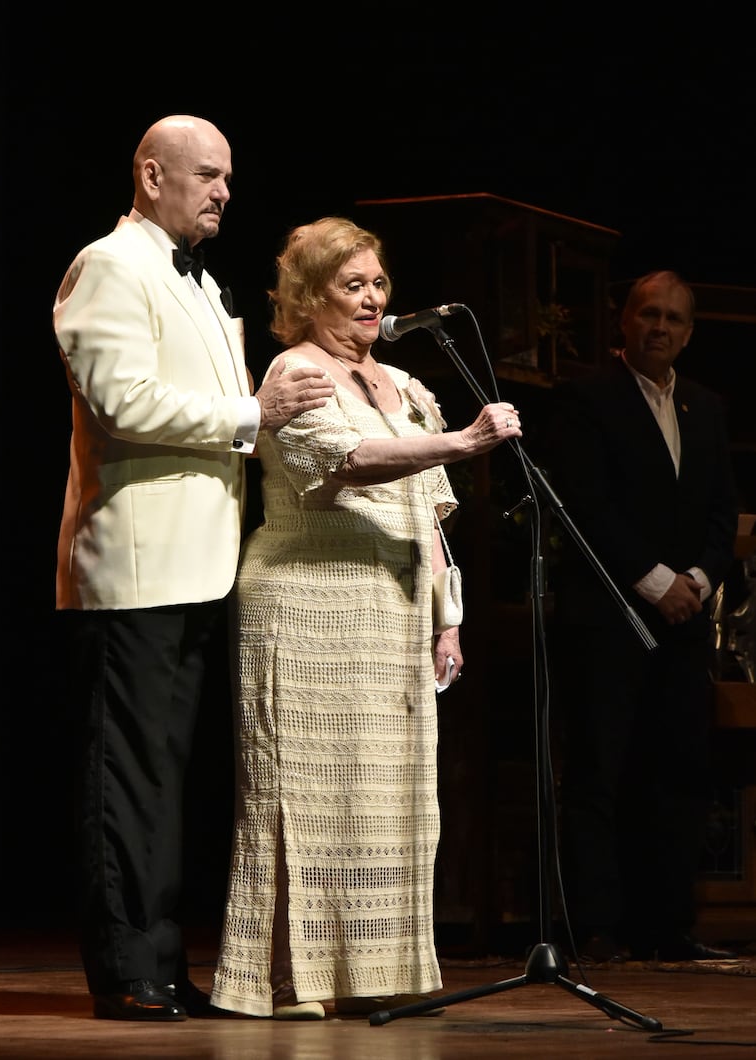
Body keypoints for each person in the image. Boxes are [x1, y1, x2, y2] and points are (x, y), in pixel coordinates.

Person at [53, 115, 336, 1022]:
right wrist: (252, 412)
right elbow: (120, 398)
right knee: (128, 772)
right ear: (150, 174)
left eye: (226, 178)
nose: (223, 192)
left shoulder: (203, 285)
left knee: (168, 773)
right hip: (136, 563)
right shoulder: (110, 265)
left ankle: (165, 962)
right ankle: (128, 966)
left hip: (198, 562)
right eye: (207, 175)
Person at [210, 216, 523, 1019]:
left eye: (377, 283)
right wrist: (461, 441)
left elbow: (430, 520)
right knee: (305, 796)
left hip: (392, 613)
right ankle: (290, 979)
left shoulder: (407, 387)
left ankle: (373, 972)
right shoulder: (297, 370)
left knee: (386, 800)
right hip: (308, 604)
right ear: (310, 297)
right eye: (352, 285)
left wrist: (447, 618)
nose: (371, 298)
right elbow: (345, 465)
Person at [545, 270, 739, 964]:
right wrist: (656, 581)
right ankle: (595, 927)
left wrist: (698, 577)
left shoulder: (707, 407)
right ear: (621, 320)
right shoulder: (586, 398)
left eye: (675, 320)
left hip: (684, 618)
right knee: (602, 767)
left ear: (689, 332)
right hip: (609, 614)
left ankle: (667, 925)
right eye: (648, 314)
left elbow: (721, 512)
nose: (660, 328)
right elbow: (586, 506)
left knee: (680, 769)